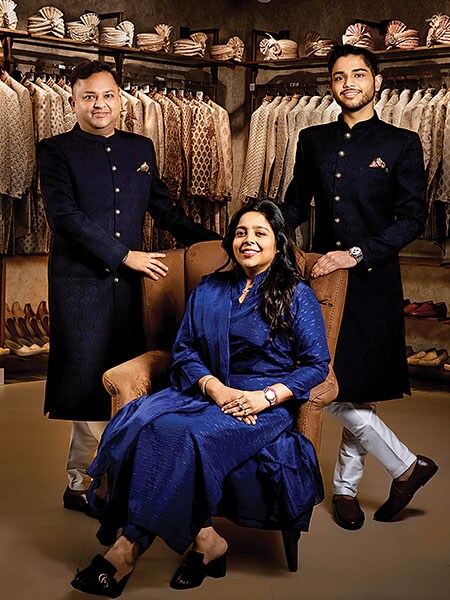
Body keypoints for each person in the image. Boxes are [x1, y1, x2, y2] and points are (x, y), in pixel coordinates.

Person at [70, 200, 330, 597]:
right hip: (208, 388)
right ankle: (207, 541)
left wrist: (264, 398)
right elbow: (186, 350)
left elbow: (316, 365)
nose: (249, 241)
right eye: (241, 232)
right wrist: (215, 387)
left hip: (263, 402)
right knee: (151, 425)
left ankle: (125, 551)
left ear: (278, 242)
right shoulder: (210, 287)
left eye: (260, 233)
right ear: (231, 239)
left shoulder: (297, 295)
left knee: (188, 436)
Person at [38, 60, 221, 517]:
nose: (99, 105)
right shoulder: (54, 150)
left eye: (107, 95)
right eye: (88, 97)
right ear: (73, 100)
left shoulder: (141, 146)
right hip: (81, 285)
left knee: (119, 379)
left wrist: (219, 244)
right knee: (85, 381)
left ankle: (85, 481)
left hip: (131, 290)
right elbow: (65, 217)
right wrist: (126, 255)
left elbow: (163, 209)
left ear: (121, 99)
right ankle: (95, 483)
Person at [281, 44, 438, 530]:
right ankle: (407, 467)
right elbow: (293, 205)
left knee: (358, 388)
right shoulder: (312, 138)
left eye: (357, 75)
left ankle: (347, 490)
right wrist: (261, 230)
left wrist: (356, 253)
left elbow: (413, 218)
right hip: (322, 281)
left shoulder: (403, 143)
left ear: (376, 82)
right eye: (338, 77)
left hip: (372, 279)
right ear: (330, 85)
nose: (347, 83)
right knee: (323, 380)